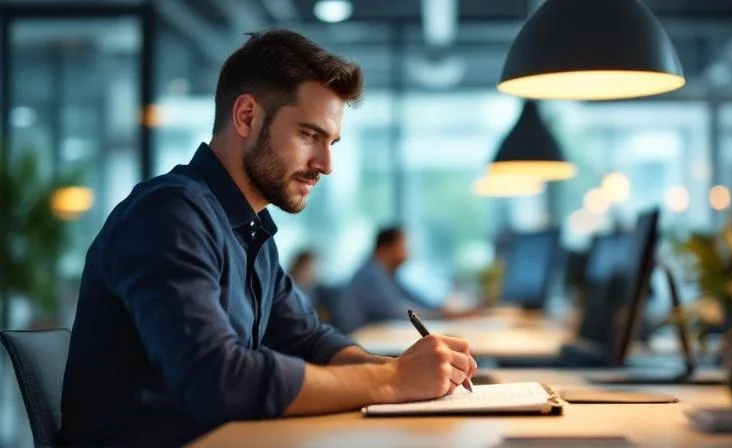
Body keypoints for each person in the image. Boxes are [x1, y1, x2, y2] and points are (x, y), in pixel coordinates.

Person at [59, 29, 476, 447]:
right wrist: (392, 380)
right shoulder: (169, 215)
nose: (326, 164)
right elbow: (219, 380)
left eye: (331, 142)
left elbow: (308, 339)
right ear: (246, 117)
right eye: (309, 135)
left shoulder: (251, 231)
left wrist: (402, 370)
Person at [341, 226, 476, 332]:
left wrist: (443, 311)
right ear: (385, 248)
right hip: (363, 344)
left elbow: (416, 300)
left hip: (378, 339)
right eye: (403, 246)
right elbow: (397, 313)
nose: (408, 251)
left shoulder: (388, 274)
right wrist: (442, 315)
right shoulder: (370, 275)